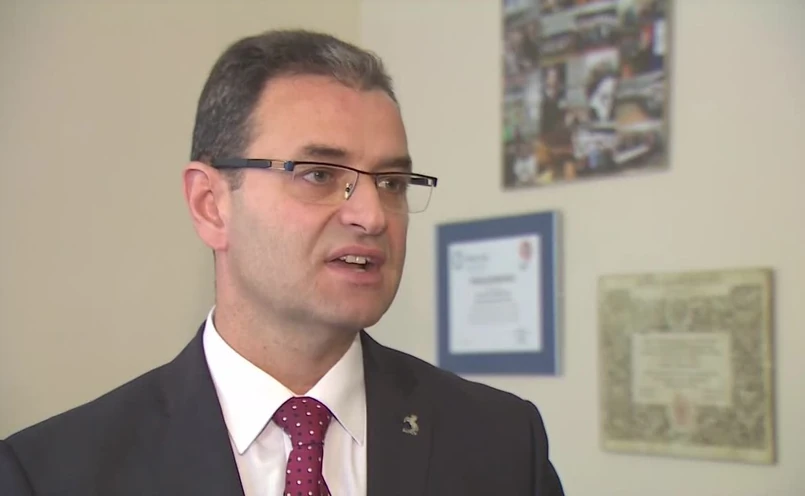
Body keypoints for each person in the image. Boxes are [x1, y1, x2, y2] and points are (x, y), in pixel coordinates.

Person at [0, 29, 564, 495]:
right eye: (319, 175)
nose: (372, 215)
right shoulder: (50, 474)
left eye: (391, 182)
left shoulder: (504, 444)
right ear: (210, 205)